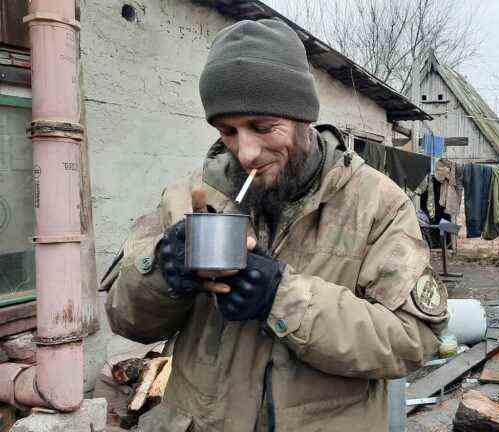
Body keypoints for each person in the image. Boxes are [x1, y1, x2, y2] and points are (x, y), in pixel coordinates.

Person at [102, 19, 448, 432]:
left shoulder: (377, 204)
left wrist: (281, 297)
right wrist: (163, 272)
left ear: (303, 116)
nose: (246, 152)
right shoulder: (188, 198)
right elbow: (126, 320)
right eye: (228, 131)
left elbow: (413, 341)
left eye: (263, 127)